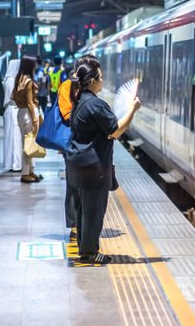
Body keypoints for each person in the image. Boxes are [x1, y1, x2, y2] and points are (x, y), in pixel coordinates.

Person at [69, 55, 140, 264]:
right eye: (100, 78)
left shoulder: (80, 100)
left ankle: (85, 248)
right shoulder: (96, 105)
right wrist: (133, 110)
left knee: (83, 210)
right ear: (92, 81)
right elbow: (115, 130)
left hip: (78, 163)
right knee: (93, 212)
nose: (103, 81)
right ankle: (90, 253)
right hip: (93, 166)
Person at [12, 56, 42, 183]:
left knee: (27, 143)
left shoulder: (19, 79)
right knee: (28, 144)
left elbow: (13, 96)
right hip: (28, 114)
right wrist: (35, 120)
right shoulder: (28, 81)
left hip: (21, 112)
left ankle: (30, 171)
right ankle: (25, 174)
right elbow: (30, 103)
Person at [57, 72, 77, 242]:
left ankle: (83, 223)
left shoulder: (86, 88)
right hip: (71, 142)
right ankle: (74, 226)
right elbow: (67, 114)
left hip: (85, 145)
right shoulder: (67, 86)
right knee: (73, 185)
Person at [1, 60, 23, 173]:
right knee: (15, 138)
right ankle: (16, 163)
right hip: (14, 110)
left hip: (10, 110)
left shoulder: (7, 80)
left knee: (12, 137)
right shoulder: (12, 81)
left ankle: (12, 162)